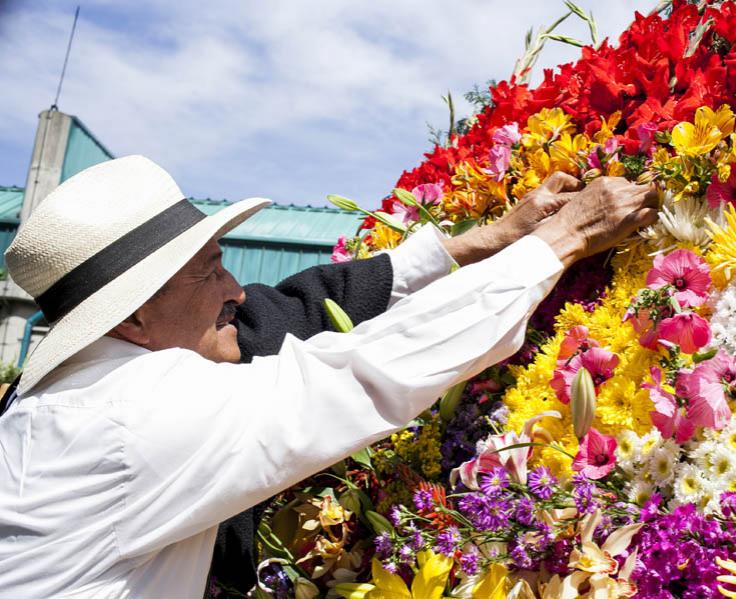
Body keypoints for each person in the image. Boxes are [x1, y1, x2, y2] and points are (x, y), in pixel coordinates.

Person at [0, 156, 656, 597]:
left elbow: (292, 310)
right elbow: (367, 372)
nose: (236, 289)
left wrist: (482, 240)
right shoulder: (130, 418)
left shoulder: (73, 390)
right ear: (137, 313)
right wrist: (567, 235)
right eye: (211, 269)